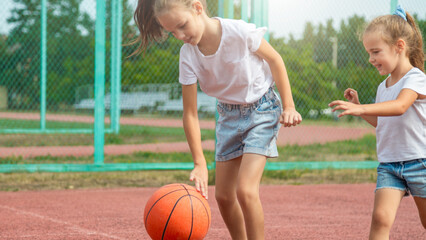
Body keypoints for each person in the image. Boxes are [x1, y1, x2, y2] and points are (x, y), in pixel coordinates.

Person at [132, 0, 302, 239]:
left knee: (246, 190)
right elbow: (190, 113)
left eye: (182, 25)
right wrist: (199, 162)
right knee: (223, 196)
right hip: (228, 116)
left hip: (261, 109)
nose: (180, 35)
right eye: (172, 32)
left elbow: (275, 60)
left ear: (197, 8)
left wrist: (289, 106)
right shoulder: (188, 56)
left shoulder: (239, 32)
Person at [329, 5, 426, 240]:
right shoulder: (383, 87)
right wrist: (361, 109)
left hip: (420, 163)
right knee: (380, 218)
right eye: (369, 53)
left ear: (399, 47)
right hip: (390, 165)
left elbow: (400, 106)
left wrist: (361, 107)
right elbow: (383, 121)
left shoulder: (416, 78)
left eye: (376, 52)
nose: (371, 59)